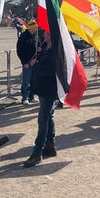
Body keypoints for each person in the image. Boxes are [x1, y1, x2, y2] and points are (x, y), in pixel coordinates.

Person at [23, 30, 59, 168]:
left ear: (51, 35)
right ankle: (50, 145)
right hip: (44, 88)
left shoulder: (55, 51)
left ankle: (37, 153)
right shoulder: (48, 48)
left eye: (46, 34)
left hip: (48, 89)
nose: (43, 36)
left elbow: (49, 70)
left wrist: (36, 64)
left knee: (42, 119)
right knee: (48, 117)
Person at [16, 20, 39, 105]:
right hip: (27, 62)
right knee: (26, 80)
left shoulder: (35, 36)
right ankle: (25, 97)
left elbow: (36, 48)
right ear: (31, 28)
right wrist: (24, 62)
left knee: (33, 80)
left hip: (34, 61)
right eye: (35, 28)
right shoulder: (23, 36)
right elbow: (20, 50)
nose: (36, 29)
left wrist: (38, 49)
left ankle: (32, 96)